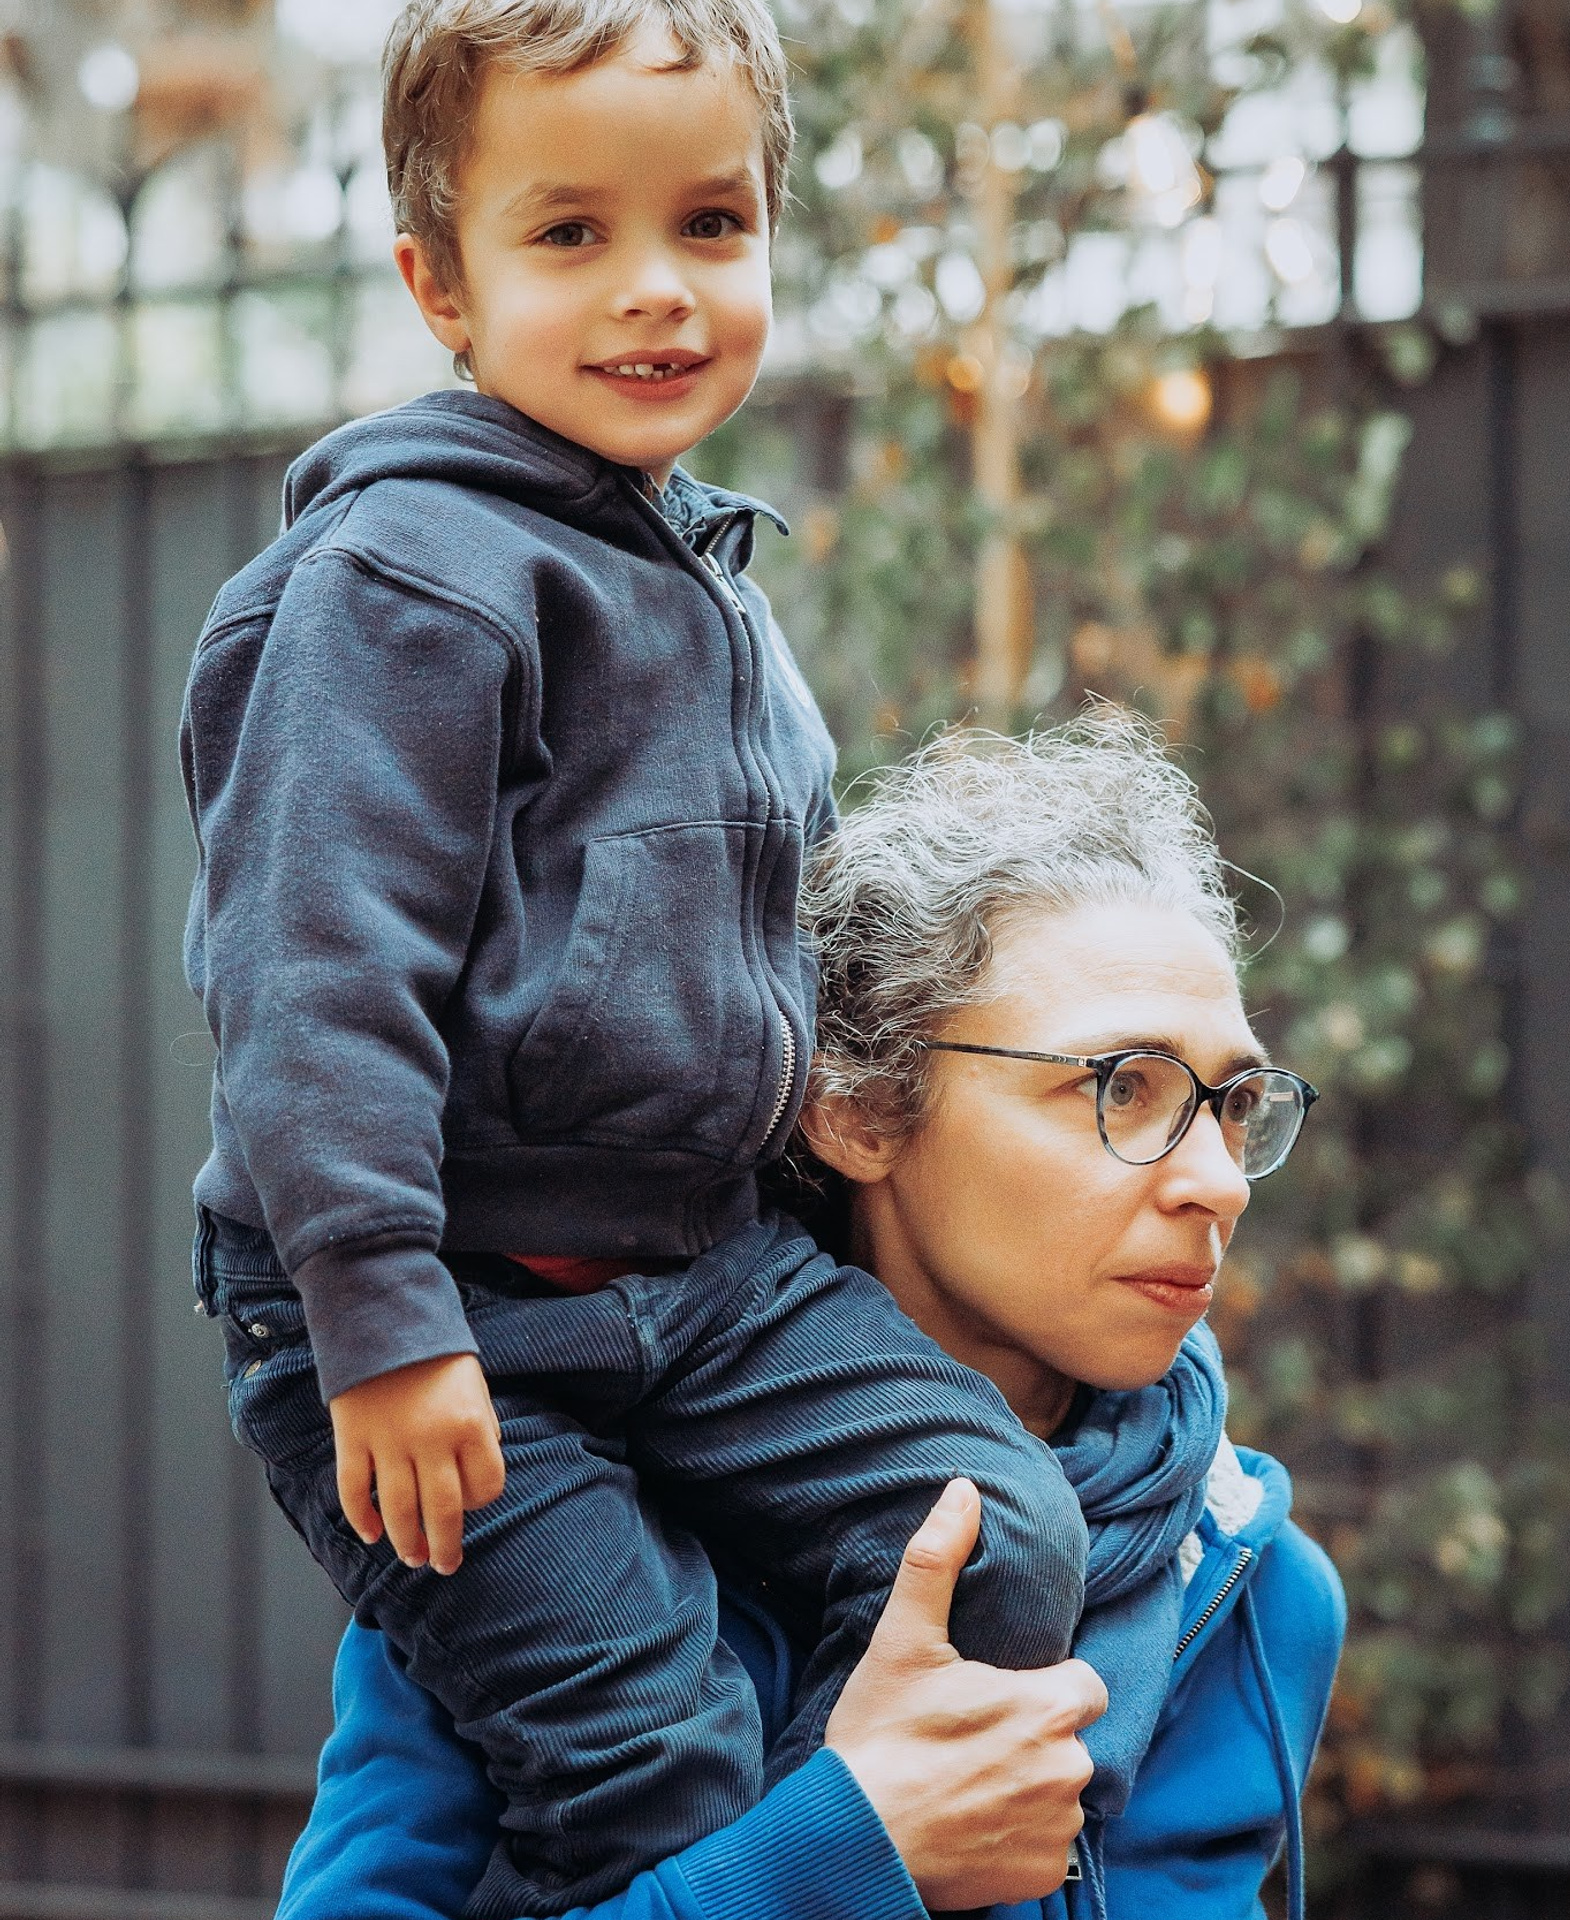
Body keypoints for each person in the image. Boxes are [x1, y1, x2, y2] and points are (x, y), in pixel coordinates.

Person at [180, 5, 1086, 1915]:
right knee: (642, 1756)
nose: (656, 292)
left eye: (713, 225)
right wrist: (381, 1314)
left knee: (999, 1530)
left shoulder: (713, 594)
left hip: (703, 1273)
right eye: (570, 234)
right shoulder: (405, 582)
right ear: (439, 280)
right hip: (461, 1311)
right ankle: (711, 1861)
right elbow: (312, 981)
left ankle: (821, 1837)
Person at [276, 717, 1348, 1920]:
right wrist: (838, 1852)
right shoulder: (554, 1548)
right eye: (1119, 1087)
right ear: (860, 1114)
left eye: (1235, 1101)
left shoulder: (1261, 1587)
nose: (1214, 1177)